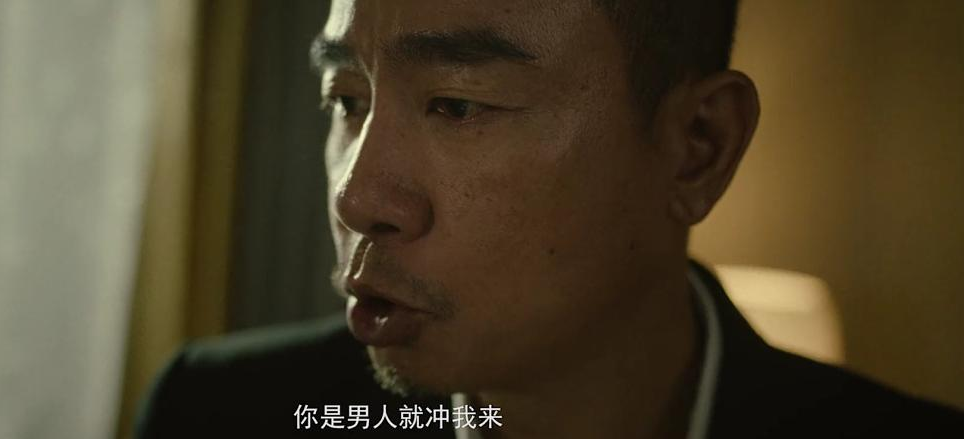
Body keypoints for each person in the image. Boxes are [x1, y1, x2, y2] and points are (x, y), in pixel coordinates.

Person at [134, 1, 964, 437]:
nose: (357, 198)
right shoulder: (223, 413)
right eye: (345, 100)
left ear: (697, 148)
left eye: (457, 104)